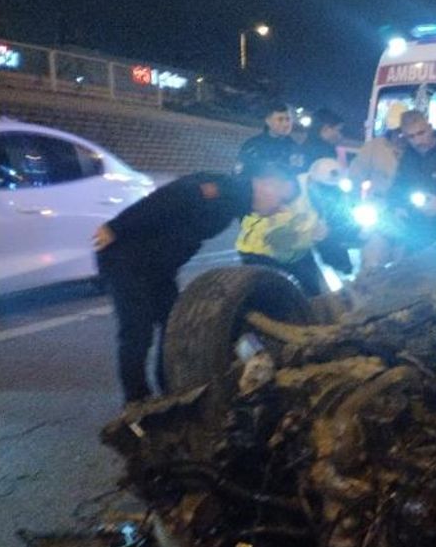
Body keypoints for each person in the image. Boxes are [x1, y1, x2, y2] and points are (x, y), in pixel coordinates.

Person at [93, 164, 298, 404]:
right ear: (266, 184)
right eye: (282, 198)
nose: (280, 207)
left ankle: (168, 386)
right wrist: (116, 227)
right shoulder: (226, 189)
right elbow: (169, 197)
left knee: (173, 323)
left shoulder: (234, 200)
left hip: (157, 267)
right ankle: (136, 400)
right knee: (137, 330)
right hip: (127, 259)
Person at [363, 110, 436, 268]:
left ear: (430, 128)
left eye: (421, 133)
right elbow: (397, 188)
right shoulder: (408, 159)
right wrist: (398, 206)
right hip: (414, 230)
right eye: (411, 137)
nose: (418, 141)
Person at [235, 159, 338, 297]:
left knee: (311, 290)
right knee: (275, 297)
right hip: (263, 254)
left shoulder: (311, 193)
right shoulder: (279, 192)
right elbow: (279, 238)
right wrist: (312, 236)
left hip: (294, 253)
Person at [348, 103, 407, 200]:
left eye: (404, 132)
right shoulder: (374, 146)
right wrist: (354, 198)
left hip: (405, 202)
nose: (402, 136)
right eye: (398, 131)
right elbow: (356, 174)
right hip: (376, 201)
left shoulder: (415, 150)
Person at [238, 103, 306, 176]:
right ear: (268, 121)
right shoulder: (253, 146)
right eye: (280, 119)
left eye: (288, 119)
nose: (285, 124)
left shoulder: (294, 148)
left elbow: (299, 174)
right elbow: (240, 173)